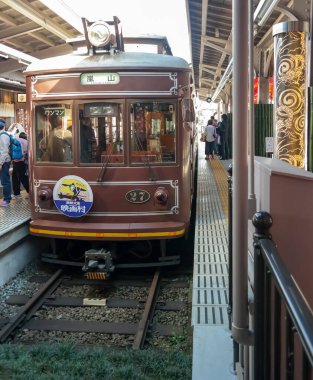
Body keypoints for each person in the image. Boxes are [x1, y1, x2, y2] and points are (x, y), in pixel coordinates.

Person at [11, 131, 29, 200]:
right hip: (22, 162)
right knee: (23, 178)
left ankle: (17, 194)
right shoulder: (27, 142)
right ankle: (30, 192)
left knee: (15, 178)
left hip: (15, 161)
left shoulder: (16, 140)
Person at [0, 118, 12, 206]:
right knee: (4, 180)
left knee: (5, 181)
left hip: (4, 162)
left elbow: (4, 151)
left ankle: (7, 200)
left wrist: (1, 163)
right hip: (4, 161)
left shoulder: (3, 136)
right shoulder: (3, 135)